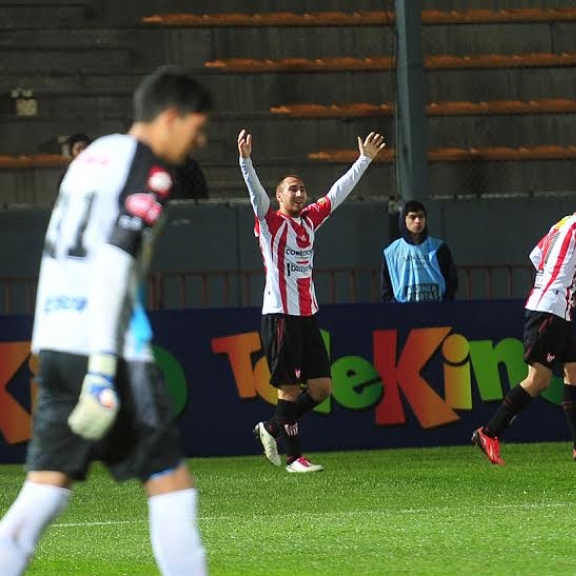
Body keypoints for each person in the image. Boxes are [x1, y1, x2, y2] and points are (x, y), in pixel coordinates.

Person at [0, 66, 212, 575]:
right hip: (110, 352)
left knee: (42, 493)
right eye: (198, 127)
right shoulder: (150, 170)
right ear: (170, 117)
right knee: (171, 487)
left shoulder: (90, 158)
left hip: (53, 341)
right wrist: (102, 364)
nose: (200, 140)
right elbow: (117, 258)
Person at [240, 129, 386, 473]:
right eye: (293, 188)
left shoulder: (309, 222)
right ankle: (294, 458)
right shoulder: (270, 222)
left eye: (303, 188)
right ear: (278, 196)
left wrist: (364, 159)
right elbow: (254, 193)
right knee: (289, 388)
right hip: (280, 315)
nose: (301, 193)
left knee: (321, 388)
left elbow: (338, 192)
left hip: (307, 316)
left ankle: (272, 427)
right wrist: (245, 160)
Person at [472, 185, 576, 465]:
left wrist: (553, 279)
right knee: (539, 380)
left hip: (554, 307)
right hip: (550, 310)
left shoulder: (564, 222)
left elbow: (536, 256)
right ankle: (489, 432)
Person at [381, 199, 458, 302]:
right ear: (404, 220)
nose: (418, 221)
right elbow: (386, 288)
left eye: (421, 216)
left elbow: (451, 280)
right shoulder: (392, 252)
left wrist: (445, 302)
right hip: (404, 311)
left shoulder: (439, 247)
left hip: (436, 308)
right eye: (412, 217)